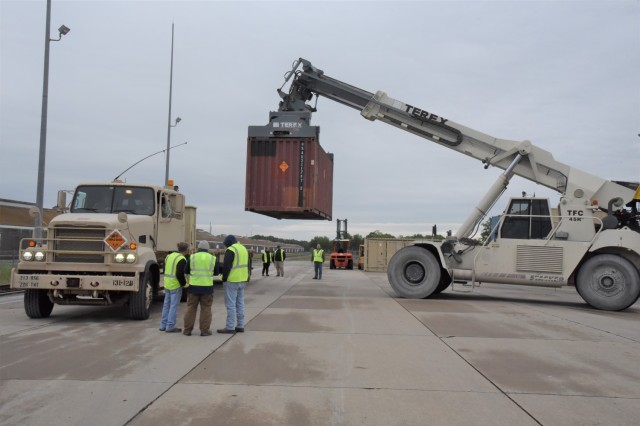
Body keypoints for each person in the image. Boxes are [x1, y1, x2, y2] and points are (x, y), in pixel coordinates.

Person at [183, 240, 217, 336]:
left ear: (198, 248)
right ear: (207, 249)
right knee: (206, 309)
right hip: (207, 288)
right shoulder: (212, 258)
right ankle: (204, 330)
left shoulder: (192, 257)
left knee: (191, 308)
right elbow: (216, 272)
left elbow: (186, 270)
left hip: (194, 287)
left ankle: (187, 330)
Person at [218, 235, 250, 334]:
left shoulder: (231, 250)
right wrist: (247, 277)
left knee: (231, 304)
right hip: (242, 280)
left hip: (232, 281)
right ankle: (240, 325)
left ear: (228, 243)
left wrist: (224, 278)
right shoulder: (243, 249)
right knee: (240, 303)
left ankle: (230, 327)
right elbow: (248, 265)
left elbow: (227, 266)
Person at [159, 242, 189, 333]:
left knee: (166, 305)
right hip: (175, 285)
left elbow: (164, 269)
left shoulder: (169, 256)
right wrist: (184, 284)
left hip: (167, 283)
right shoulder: (181, 259)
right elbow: (179, 273)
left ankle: (163, 325)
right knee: (173, 306)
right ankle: (170, 326)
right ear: (186, 250)